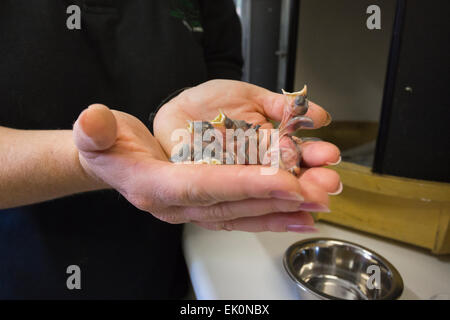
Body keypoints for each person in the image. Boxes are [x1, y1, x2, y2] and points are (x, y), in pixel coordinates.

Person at [0, 1, 340, 299]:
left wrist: (204, 114)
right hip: (28, 272)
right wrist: (82, 161)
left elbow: (221, 65)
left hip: (168, 267)